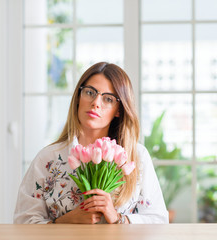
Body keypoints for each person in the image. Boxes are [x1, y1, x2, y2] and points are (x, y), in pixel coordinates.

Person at [14, 62, 169, 224]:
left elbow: (159, 221)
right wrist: (64, 222)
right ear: (78, 98)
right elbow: (22, 222)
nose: (96, 102)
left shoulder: (136, 157)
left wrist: (118, 218)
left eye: (108, 99)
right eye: (90, 92)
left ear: (118, 110)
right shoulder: (48, 158)